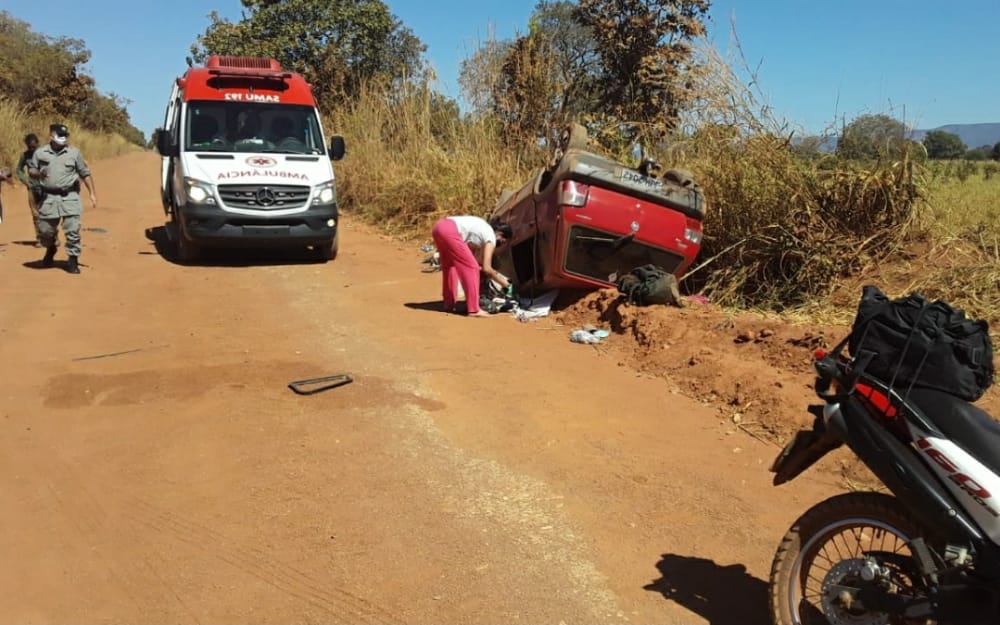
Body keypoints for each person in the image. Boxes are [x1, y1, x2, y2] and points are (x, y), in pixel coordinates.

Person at [28, 123, 98, 274]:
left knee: (73, 230)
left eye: (66, 136)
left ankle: (72, 260)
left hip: (69, 197)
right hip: (48, 197)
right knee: (45, 231)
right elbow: (32, 169)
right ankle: (51, 247)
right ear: (51, 136)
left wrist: (92, 193)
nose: (63, 139)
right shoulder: (40, 153)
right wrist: (38, 174)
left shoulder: (74, 153)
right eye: (60, 136)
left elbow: (84, 173)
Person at [430, 215, 512, 317]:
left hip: (439, 227)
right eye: (504, 241)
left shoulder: (482, 229)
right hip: (450, 230)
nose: (502, 244)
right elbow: (487, 268)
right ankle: (474, 309)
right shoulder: (490, 236)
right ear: (500, 234)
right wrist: (505, 284)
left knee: (450, 266)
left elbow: (473, 258)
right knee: (472, 268)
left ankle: (449, 303)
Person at [15, 133, 44, 244]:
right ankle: (39, 238)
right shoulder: (25, 155)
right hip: (32, 188)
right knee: (36, 215)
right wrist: (25, 181)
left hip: (46, 188)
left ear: (37, 143)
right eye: (29, 147)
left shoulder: (45, 153)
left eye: (34, 146)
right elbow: (19, 169)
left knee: (48, 214)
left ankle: (52, 237)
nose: (32, 149)